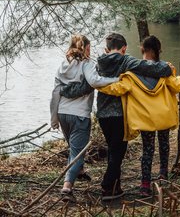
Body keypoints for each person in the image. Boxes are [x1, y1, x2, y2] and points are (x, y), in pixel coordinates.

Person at [60, 33, 172, 201]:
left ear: (106, 49)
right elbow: (152, 68)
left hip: (103, 116)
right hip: (120, 114)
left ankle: (115, 187)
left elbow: (87, 86)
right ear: (124, 48)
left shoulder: (98, 63)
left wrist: (65, 91)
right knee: (117, 153)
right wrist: (168, 68)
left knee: (114, 151)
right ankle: (108, 186)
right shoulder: (126, 61)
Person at [98, 35, 180, 196]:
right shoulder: (165, 71)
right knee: (164, 145)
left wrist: (98, 85)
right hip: (164, 116)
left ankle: (145, 185)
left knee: (148, 150)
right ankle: (162, 175)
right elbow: (177, 86)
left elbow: (117, 88)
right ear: (159, 50)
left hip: (146, 119)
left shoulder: (132, 75)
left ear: (142, 50)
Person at [50, 34, 118, 202]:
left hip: (63, 113)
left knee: (74, 148)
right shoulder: (87, 64)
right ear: (86, 48)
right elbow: (95, 81)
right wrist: (117, 79)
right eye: (90, 47)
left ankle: (78, 171)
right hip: (79, 115)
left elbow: (55, 94)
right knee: (77, 153)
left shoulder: (62, 66)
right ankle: (67, 188)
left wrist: (54, 118)